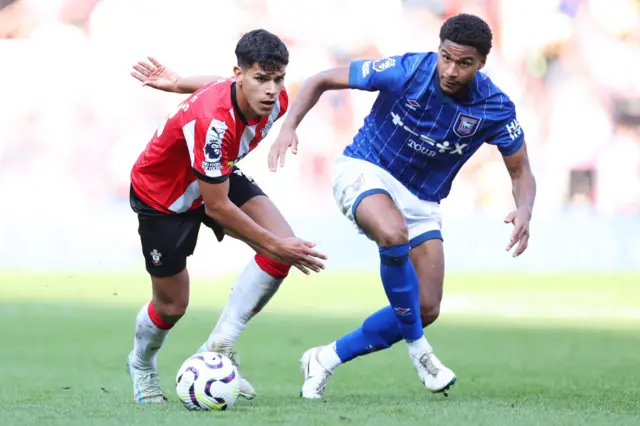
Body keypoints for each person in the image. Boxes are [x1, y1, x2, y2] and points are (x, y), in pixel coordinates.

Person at [268, 13, 537, 399]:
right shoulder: (407, 70)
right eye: (446, 57)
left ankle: (324, 358)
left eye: (464, 63)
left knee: (426, 307)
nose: (451, 70)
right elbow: (320, 79)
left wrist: (524, 209)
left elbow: (521, 171)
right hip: (365, 167)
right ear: (438, 50)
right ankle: (420, 350)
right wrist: (290, 125)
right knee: (392, 233)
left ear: (481, 64)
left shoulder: (495, 107)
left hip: (422, 199)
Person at [126, 29, 326, 404]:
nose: (271, 89)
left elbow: (218, 84)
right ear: (241, 74)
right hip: (163, 196)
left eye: (277, 78)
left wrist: (177, 82)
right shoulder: (214, 123)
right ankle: (141, 363)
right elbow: (217, 206)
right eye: (261, 78)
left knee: (280, 250)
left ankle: (219, 346)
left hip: (215, 173)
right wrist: (275, 244)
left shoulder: (275, 100)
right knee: (173, 306)